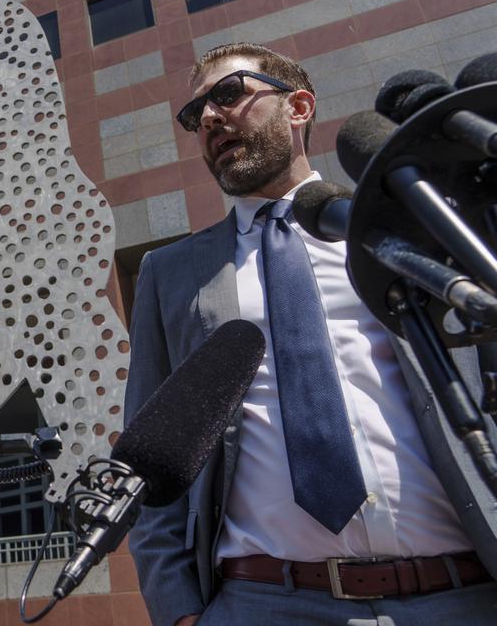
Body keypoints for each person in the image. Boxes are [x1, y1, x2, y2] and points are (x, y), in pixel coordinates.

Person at [126, 42, 497, 625]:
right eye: (195, 116)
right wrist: (179, 611)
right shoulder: (170, 273)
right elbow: (148, 455)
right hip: (262, 602)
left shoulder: (405, 227)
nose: (210, 120)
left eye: (228, 94)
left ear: (298, 107)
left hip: (462, 593)